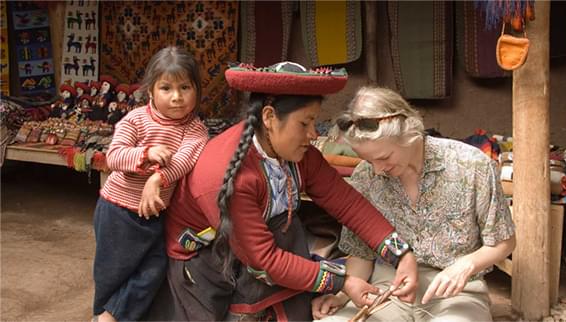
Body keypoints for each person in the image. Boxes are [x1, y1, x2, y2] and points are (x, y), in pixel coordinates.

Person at [148, 62, 418, 321]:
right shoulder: (228, 176)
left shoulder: (301, 156)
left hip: (254, 253)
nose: (313, 134)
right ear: (269, 117)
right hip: (203, 264)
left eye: (315, 122)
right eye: (304, 123)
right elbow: (263, 259)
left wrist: (401, 254)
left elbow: (347, 203)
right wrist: (342, 282)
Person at [312, 86, 516, 322]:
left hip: (455, 294)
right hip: (386, 291)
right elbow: (361, 253)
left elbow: (504, 242)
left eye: (384, 158)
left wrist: (465, 265)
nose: (378, 169)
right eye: (368, 160)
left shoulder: (471, 165)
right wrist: (340, 296)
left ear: (408, 133)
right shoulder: (365, 176)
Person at [92, 46, 209, 322]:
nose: (177, 97)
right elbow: (114, 156)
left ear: (197, 91)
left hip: (154, 215)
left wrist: (158, 178)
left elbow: (185, 160)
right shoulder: (135, 119)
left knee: (153, 268)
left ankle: (111, 316)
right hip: (117, 211)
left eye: (185, 87)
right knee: (113, 272)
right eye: (166, 88)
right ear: (151, 92)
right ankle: (102, 315)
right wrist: (145, 154)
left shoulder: (195, 130)